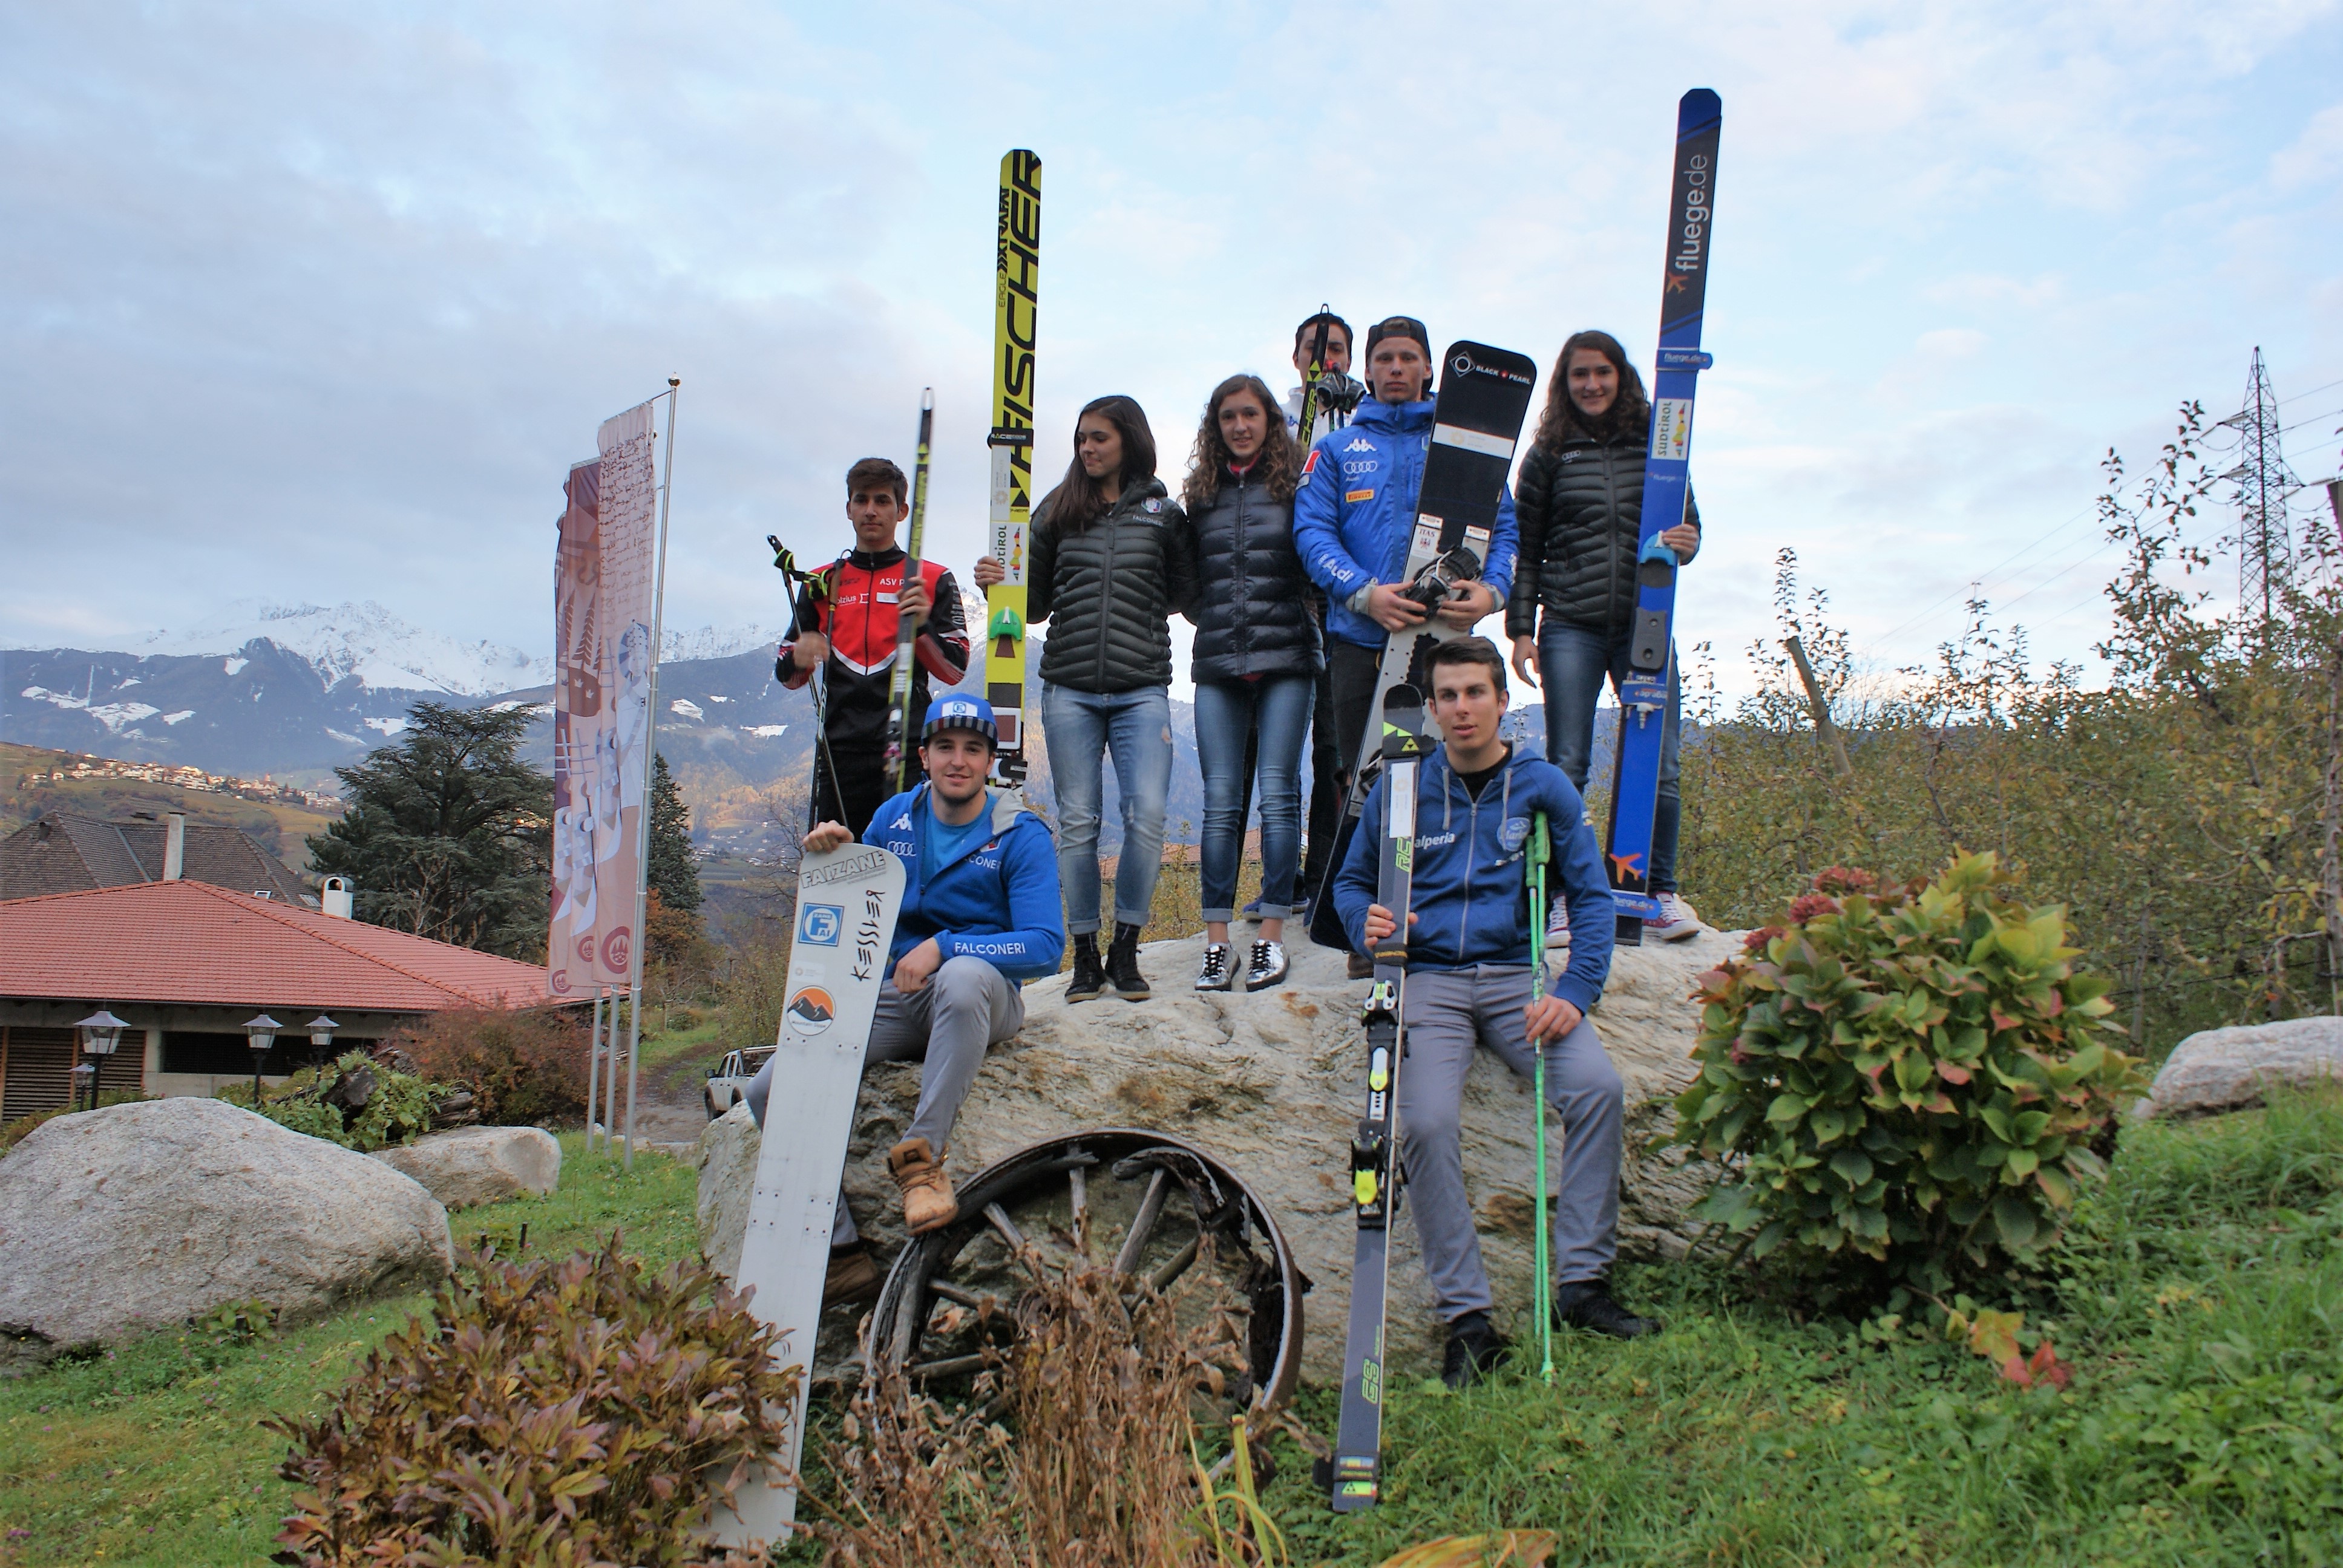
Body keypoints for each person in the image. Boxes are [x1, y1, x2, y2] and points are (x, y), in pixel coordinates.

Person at [1332, 635, 1659, 1388]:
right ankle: (1469, 1321)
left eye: (1474, 693)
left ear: (1502, 700)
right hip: (1431, 984)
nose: (1460, 709)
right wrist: (1366, 923)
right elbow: (1350, 885)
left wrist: (1575, 992)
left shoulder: (1540, 785)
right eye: (1445, 696)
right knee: (1422, 1123)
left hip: (1517, 978)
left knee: (1598, 1090)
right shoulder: (1403, 786)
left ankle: (1582, 1285)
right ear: (1434, 708)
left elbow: (1592, 897)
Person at [742, 694, 1064, 1304]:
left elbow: (1046, 947)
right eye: (945, 747)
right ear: (924, 756)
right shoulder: (892, 819)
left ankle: (921, 1160)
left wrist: (947, 946)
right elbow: (856, 913)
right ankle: (841, 1253)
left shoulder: (1018, 831)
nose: (959, 761)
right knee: (765, 1089)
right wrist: (834, 857)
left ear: (989, 762)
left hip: (982, 998)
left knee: (965, 977)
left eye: (973, 749)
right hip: (896, 998)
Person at [1292, 315, 1519, 972]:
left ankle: (1433, 918)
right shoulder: (1335, 450)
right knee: (1355, 783)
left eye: (1408, 358)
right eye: (1383, 358)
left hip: (1440, 646)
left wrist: (1493, 592)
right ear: (1365, 371)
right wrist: (1365, 593)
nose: (1395, 369)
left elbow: (1501, 529)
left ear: (1429, 370)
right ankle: (1363, 930)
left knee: (1431, 783)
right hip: (1359, 640)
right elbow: (1311, 535)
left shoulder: (1460, 447)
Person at [974, 396, 1198, 1004]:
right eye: (1080, 439)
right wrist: (999, 583)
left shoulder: (1163, 512)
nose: (1086, 449)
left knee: (1146, 818)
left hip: (1142, 687)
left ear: (1127, 438)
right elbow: (1034, 603)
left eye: (1098, 437)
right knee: (1077, 826)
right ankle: (1084, 956)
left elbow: (1187, 595)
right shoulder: (1056, 508)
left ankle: (1126, 945)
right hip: (1069, 687)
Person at [1504, 330, 1703, 944]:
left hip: (1645, 622)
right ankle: (1562, 894)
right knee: (1566, 762)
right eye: (1578, 375)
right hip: (1569, 623)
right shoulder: (1547, 454)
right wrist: (1519, 630)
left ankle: (1657, 893)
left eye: (1601, 373)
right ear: (1563, 385)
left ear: (1621, 377)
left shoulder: (1657, 445)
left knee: (1659, 761)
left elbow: (1687, 526)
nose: (1590, 384)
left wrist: (1689, 542)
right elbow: (1525, 549)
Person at [1182, 373, 1319, 993]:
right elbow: (1189, 584)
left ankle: (1269, 936)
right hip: (1217, 663)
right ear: (1216, 426)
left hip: (1287, 656)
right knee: (1219, 804)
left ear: (1270, 420)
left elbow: (1316, 563)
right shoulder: (1200, 496)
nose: (1239, 426)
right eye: (1227, 417)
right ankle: (1217, 946)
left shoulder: (1299, 487)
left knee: (1279, 795)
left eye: (1250, 415)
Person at [776, 457, 972, 841]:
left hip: (906, 748)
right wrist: (801, 658)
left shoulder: (932, 578)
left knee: (905, 865)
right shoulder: (821, 582)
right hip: (839, 751)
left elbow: (954, 669)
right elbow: (788, 675)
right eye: (861, 500)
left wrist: (921, 628)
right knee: (835, 869)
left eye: (882, 501)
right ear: (848, 508)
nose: (870, 510)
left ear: (901, 511)